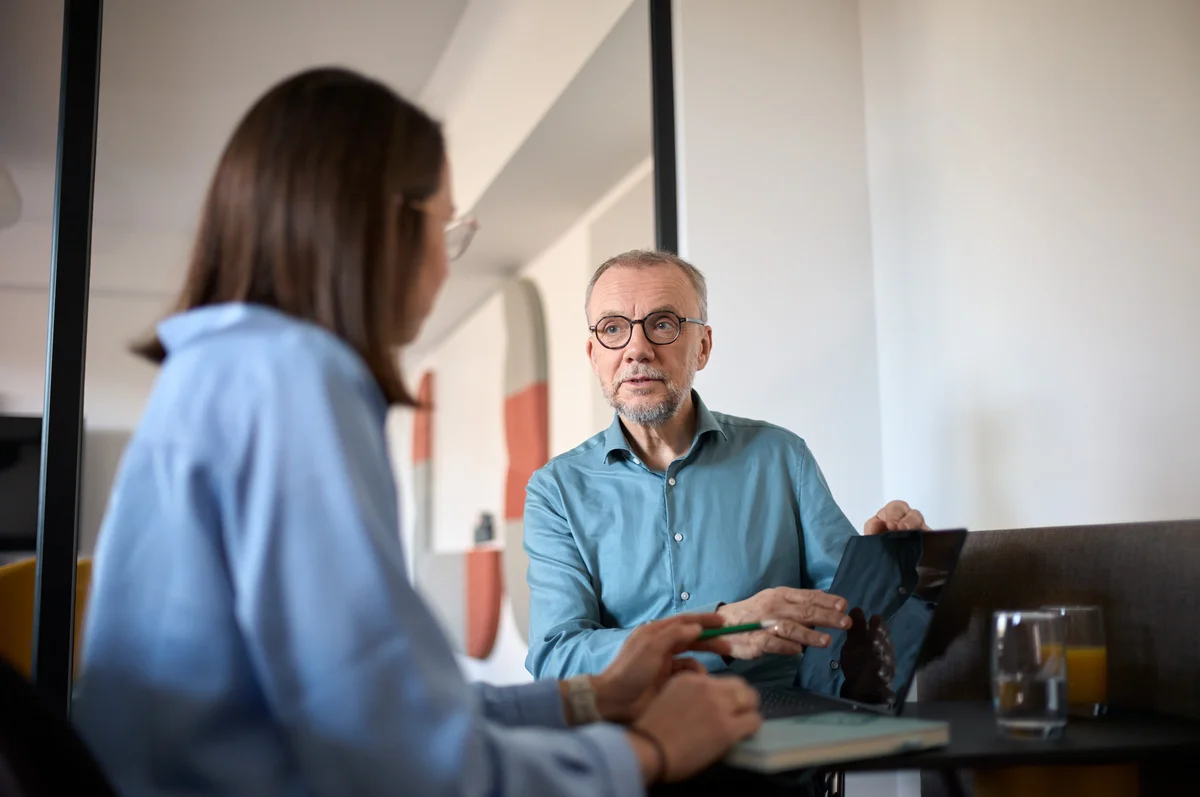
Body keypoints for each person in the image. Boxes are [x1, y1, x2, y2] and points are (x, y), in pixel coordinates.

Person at [71, 68, 764, 797]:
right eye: (446, 228)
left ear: (699, 344)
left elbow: (389, 703)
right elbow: (404, 763)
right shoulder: (294, 378)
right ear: (379, 225)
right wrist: (650, 750)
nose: (442, 263)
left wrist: (594, 696)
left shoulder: (229, 369)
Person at [523, 249, 929, 687]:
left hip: (780, 726)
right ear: (593, 354)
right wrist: (716, 630)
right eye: (613, 329)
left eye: (663, 324)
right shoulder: (556, 492)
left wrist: (892, 569)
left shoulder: (782, 456)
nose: (636, 349)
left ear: (703, 347)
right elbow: (556, 657)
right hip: (641, 734)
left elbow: (848, 620)